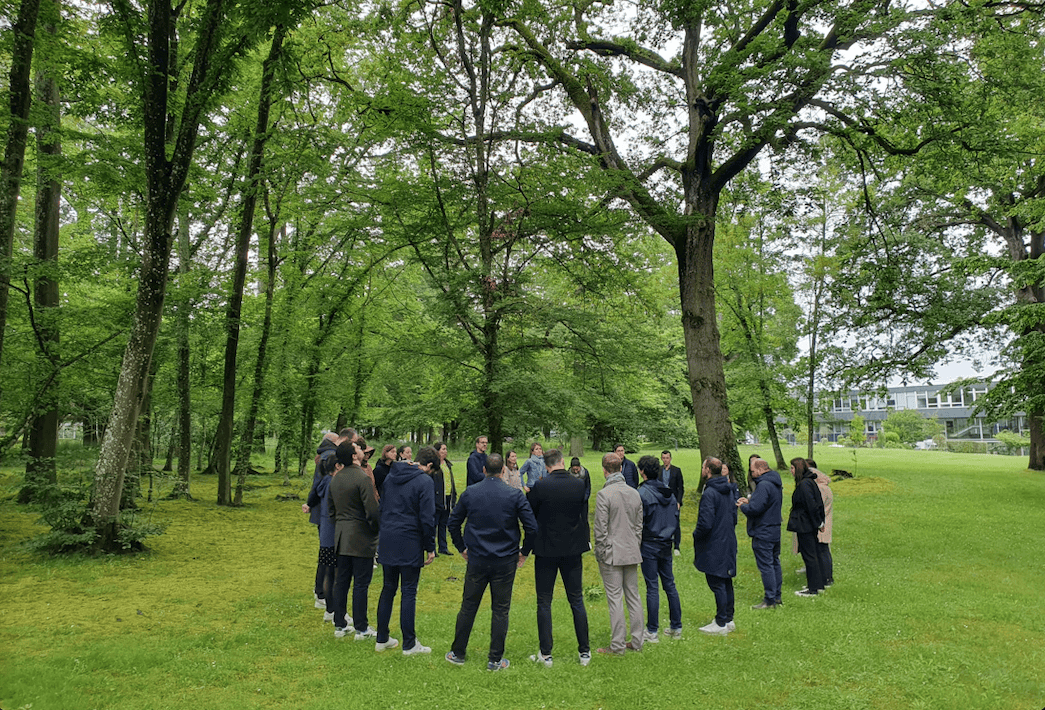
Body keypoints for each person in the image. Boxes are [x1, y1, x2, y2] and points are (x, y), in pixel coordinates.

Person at [446, 453, 537, 671]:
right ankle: (495, 659)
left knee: (469, 605)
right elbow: (532, 527)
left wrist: (461, 547)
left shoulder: (471, 492)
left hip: (478, 558)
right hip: (504, 559)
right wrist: (524, 551)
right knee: (500, 609)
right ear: (503, 471)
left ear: (484, 470)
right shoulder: (514, 494)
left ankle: (458, 653)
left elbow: (453, 523)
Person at [522, 448, 592, 667]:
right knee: (576, 599)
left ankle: (546, 653)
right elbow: (582, 516)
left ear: (546, 465)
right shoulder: (578, 485)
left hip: (546, 549)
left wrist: (525, 550)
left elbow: (530, 520)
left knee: (544, 601)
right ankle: (584, 651)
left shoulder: (540, 487)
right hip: (572, 548)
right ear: (562, 462)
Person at [374, 446, 438, 655]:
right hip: (409, 538)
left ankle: (382, 638)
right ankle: (409, 643)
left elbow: (382, 507)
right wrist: (430, 546)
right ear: (429, 465)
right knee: (409, 590)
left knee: (388, 588)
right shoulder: (424, 481)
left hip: (388, 536)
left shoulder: (391, 477)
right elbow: (427, 517)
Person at [329, 439, 380, 639]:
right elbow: (372, 510)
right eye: (358, 448)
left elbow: (331, 511)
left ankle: (340, 624)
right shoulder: (362, 478)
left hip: (341, 536)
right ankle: (361, 627)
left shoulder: (336, 478)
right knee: (360, 583)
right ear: (353, 456)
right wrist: (374, 530)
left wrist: (341, 526)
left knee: (341, 581)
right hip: (360, 537)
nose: (361, 450)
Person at [593, 452, 644, 655]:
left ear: (604, 470)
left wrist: (601, 553)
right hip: (631, 550)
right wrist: (635, 545)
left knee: (615, 599)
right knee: (633, 596)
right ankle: (637, 641)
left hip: (612, 553)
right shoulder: (634, 493)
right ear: (621, 469)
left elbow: (600, 529)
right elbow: (639, 526)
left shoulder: (604, 495)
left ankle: (617, 645)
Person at [636, 455, 682, 642]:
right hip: (666, 542)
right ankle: (676, 627)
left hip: (650, 543)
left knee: (653, 587)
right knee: (669, 584)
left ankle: (652, 631)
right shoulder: (668, 492)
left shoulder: (642, 493)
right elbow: (675, 516)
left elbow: (638, 521)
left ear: (642, 472)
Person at [693, 456, 739, 635]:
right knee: (726, 580)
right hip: (728, 539)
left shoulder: (710, 492)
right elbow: (733, 516)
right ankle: (728, 618)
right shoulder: (728, 489)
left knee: (717, 581)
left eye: (703, 467)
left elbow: (705, 522)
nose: (702, 470)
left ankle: (721, 622)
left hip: (715, 542)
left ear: (708, 470)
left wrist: (696, 534)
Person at [737, 458, 783, 609]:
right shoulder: (775, 482)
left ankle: (769, 599)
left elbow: (755, 509)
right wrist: (750, 502)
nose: (752, 474)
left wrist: (743, 507)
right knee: (774, 562)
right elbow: (765, 504)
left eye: (753, 471)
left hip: (763, 530)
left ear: (761, 469)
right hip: (774, 528)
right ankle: (776, 596)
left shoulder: (763, 485)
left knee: (766, 565)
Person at [304, 437, 339, 621]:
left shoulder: (324, 483)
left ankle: (327, 607)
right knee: (332, 572)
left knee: (327, 567)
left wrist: (309, 504)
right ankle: (333, 610)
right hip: (333, 533)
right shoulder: (333, 484)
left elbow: (315, 494)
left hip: (326, 532)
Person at [787, 457, 826, 597]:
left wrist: (819, 522)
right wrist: (820, 521)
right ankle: (818, 584)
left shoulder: (804, 484)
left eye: (792, 468)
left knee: (809, 555)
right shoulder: (809, 482)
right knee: (812, 554)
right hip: (809, 523)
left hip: (805, 525)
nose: (790, 471)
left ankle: (813, 588)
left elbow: (812, 505)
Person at [807, 458, 834, 587]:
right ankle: (826, 578)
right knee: (823, 551)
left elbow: (817, 506)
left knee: (822, 551)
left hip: (821, 524)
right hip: (823, 523)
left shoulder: (821, 489)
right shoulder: (825, 488)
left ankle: (826, 578)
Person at [431, 441, 459, 555]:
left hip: (448, 496)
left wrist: (453, 494)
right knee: (435, 524)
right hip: (438, 498)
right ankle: (432, 548)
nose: (445, 451)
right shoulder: (434, 466)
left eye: (446, 449)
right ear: (437, 451)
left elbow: (450, 480)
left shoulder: (447, 464)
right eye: (443, 449)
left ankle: (443, 547)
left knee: (443, 524)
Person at [660, 450, 685, 555]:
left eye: (667, 458)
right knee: (662, 522)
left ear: (670, 458)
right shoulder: (658, 470)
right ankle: (665, 544)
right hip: (662, 501)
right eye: (664, 458)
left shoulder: (676, 470)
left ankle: (677, 546)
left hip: (673, 500)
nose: (665, 460)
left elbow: (680, 488)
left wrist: (679, 501)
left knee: (675, 523)